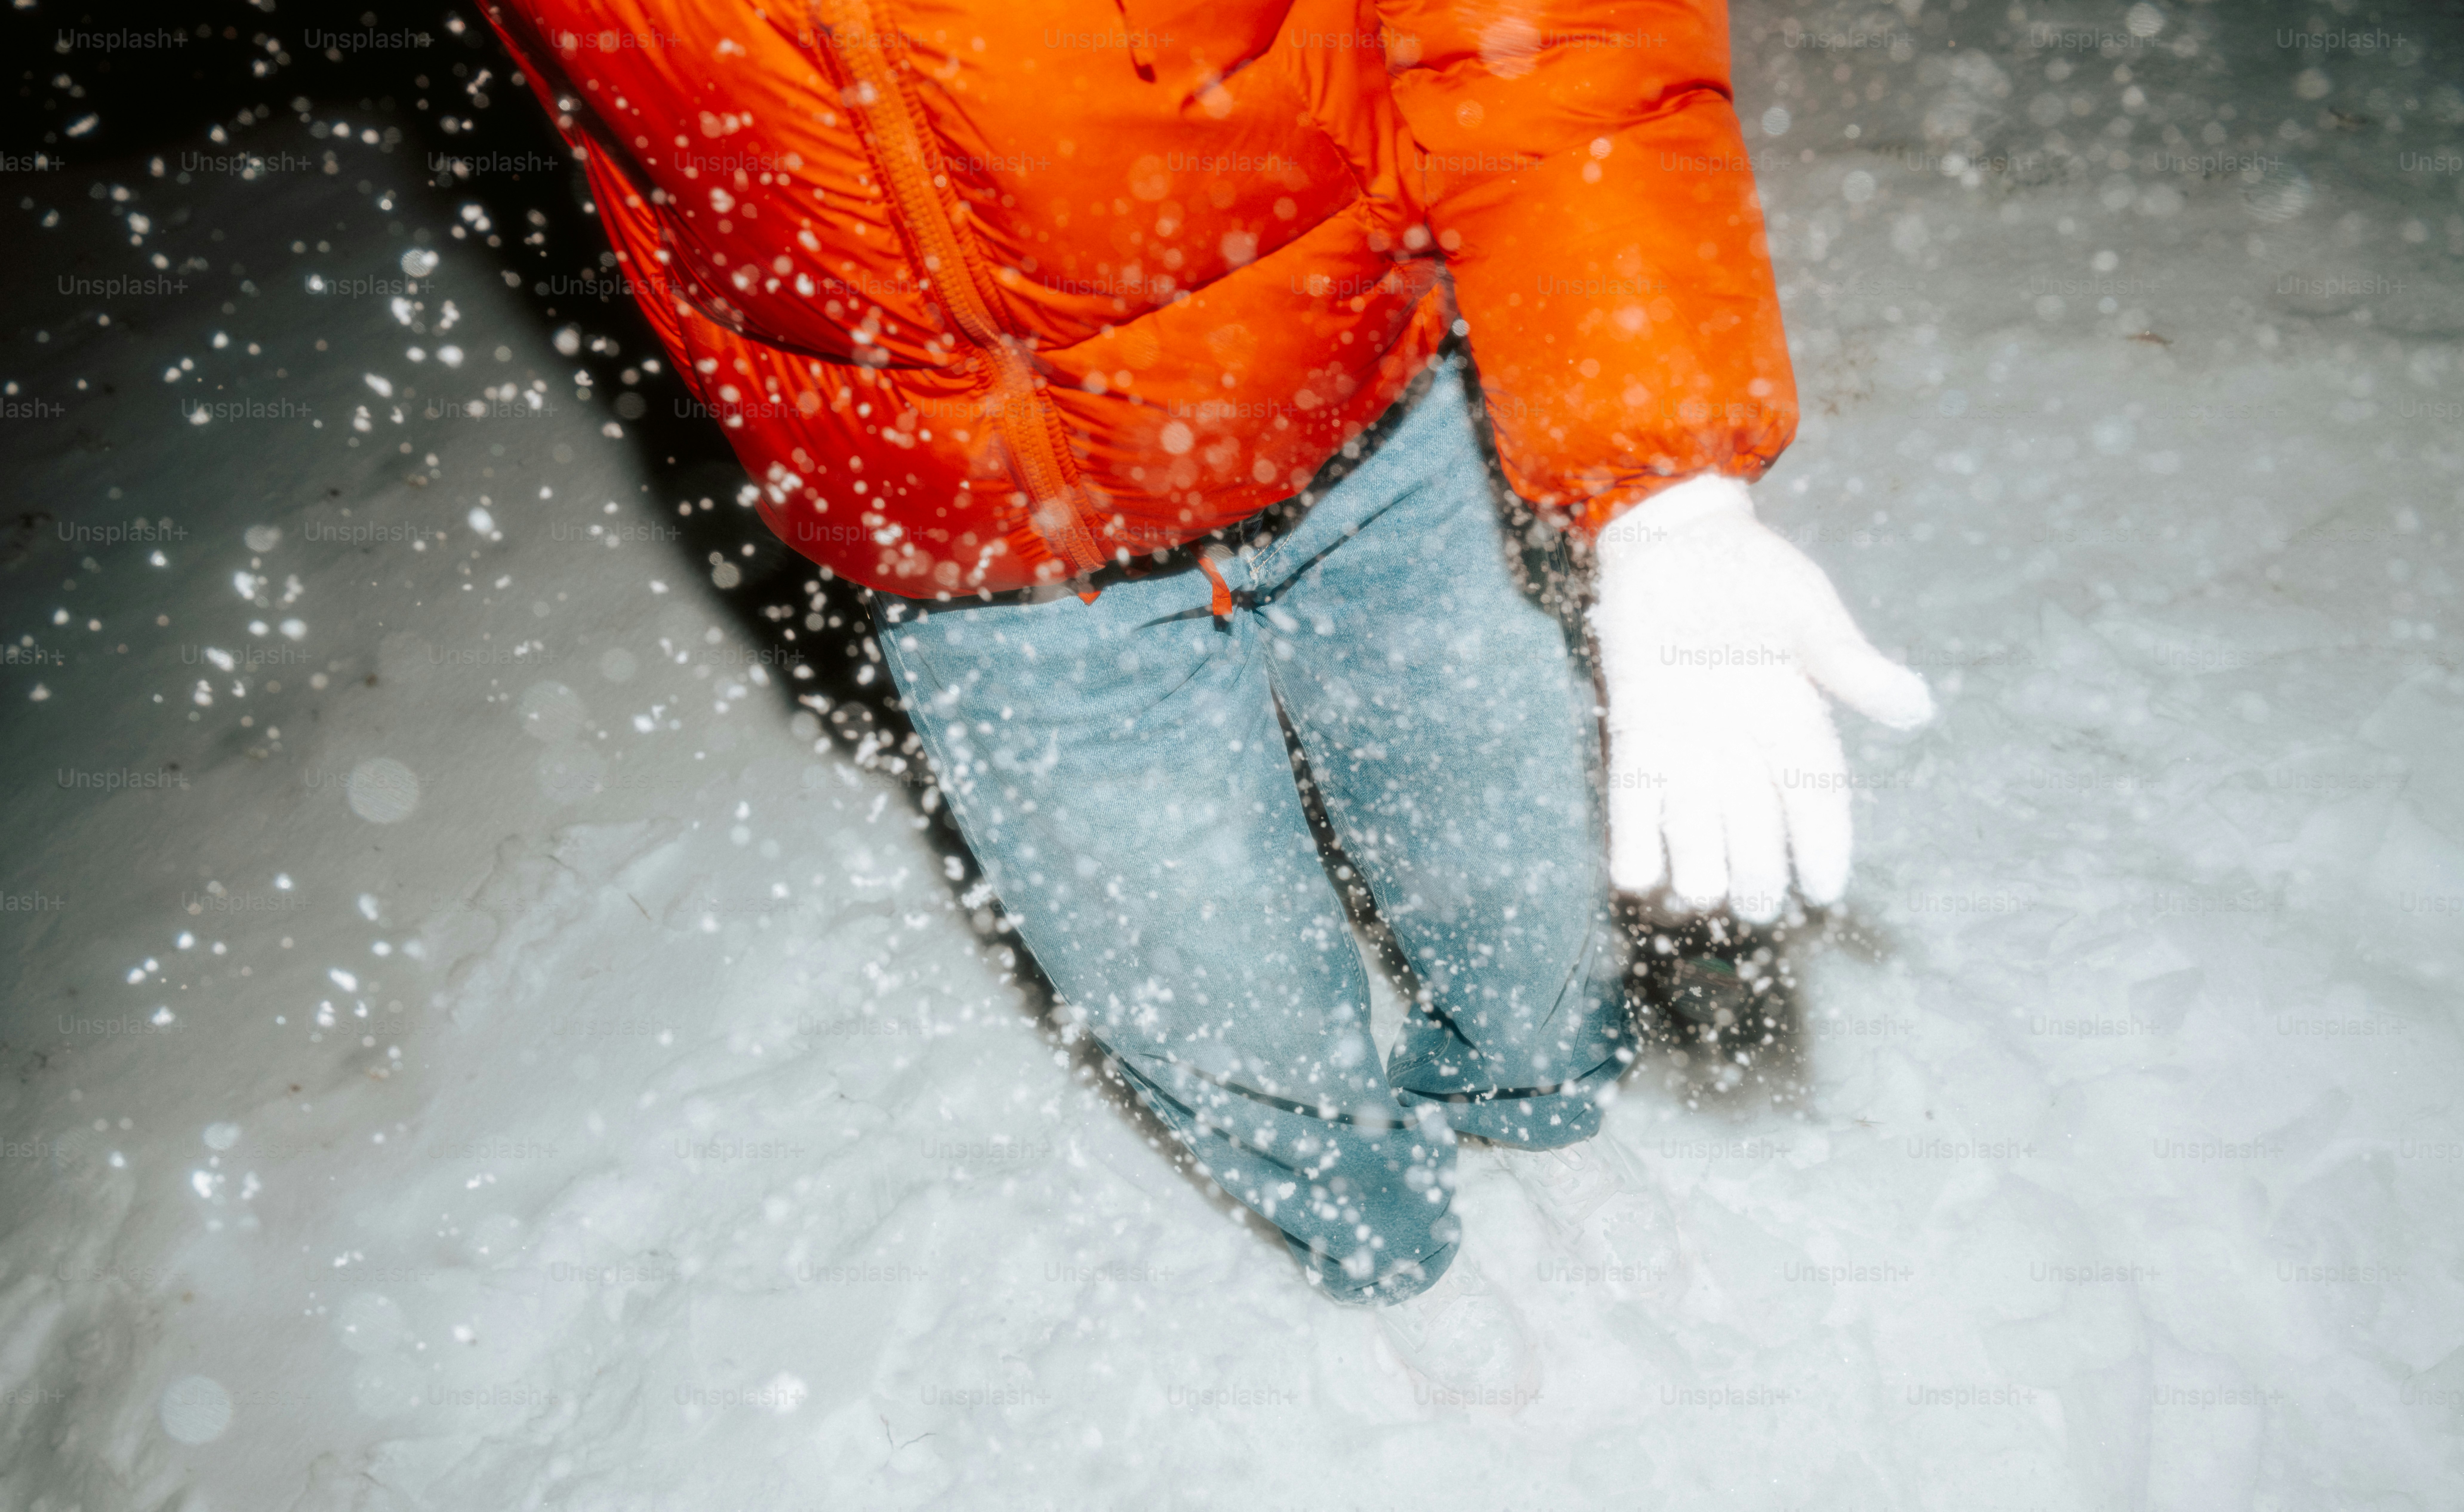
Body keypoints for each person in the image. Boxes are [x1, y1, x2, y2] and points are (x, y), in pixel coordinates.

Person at [484, 0, 1932, 1309]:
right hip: (971, 536)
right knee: (1211, 999)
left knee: (1515, 877)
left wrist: (1666, 478)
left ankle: (1540, 1101)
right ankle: (1373, 1232)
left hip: (1353, 393)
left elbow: (1539, 35)